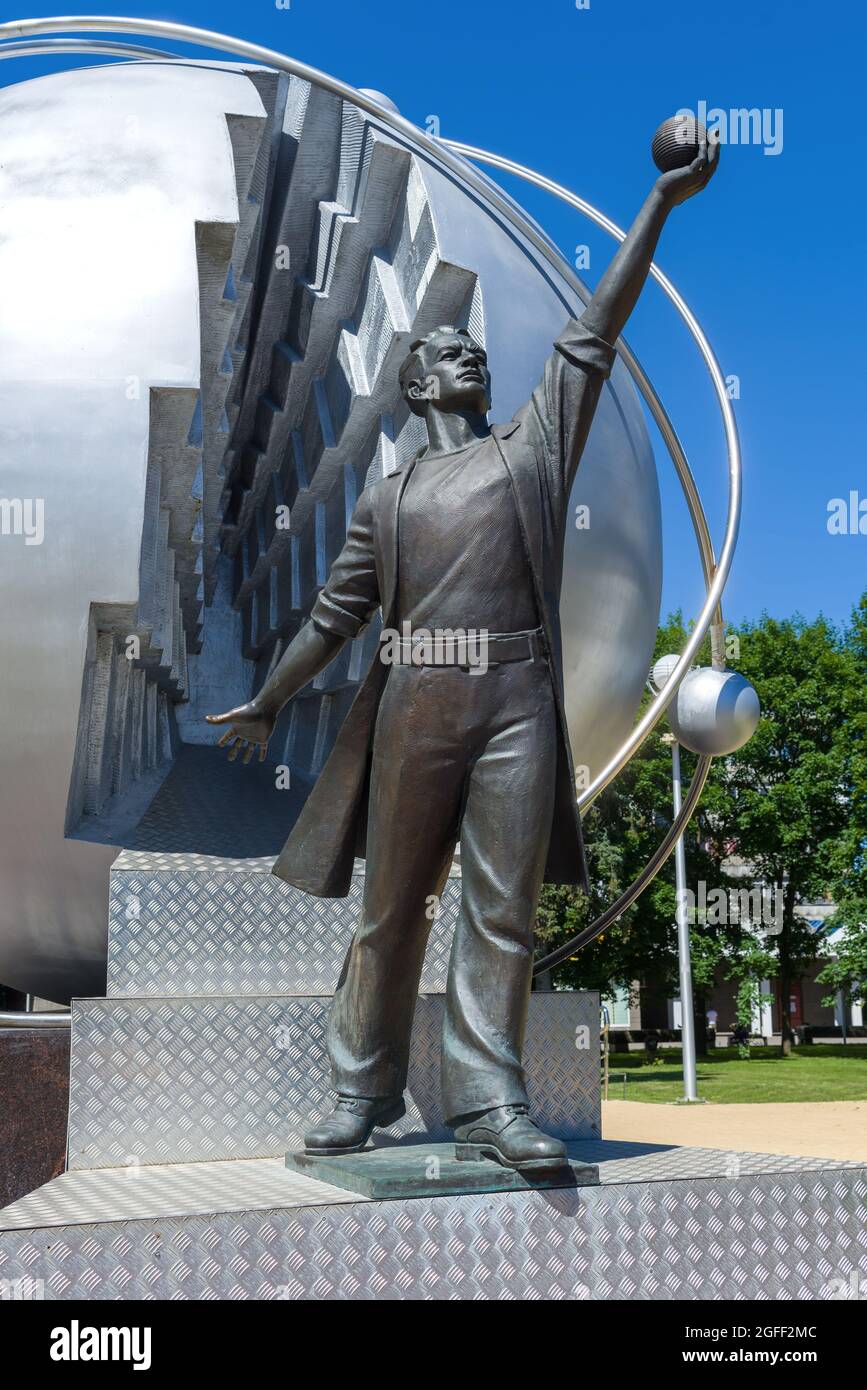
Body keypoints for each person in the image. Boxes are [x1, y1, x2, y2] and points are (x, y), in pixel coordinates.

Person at [206, 134, 719, 1170]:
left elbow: (592, 337)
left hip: (518, 699)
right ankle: (360, 1092)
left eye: (474, 353)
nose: (469, 357)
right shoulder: (386, 501)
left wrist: (658, 205)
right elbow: (333, 616)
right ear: (417, 387)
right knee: (390, 906)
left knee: (502, 906)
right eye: (449, 355)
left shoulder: (528, 453)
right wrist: (267, 699)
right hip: (417, 700)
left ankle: (490, 1101)